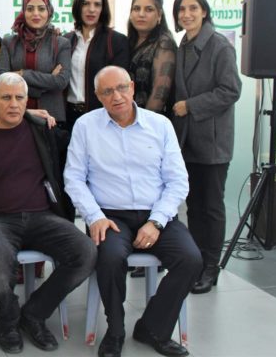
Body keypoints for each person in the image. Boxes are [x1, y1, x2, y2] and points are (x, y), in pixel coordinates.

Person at [0, 72, 97, 354]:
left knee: (85, 252)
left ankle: (34, 314)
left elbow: (82, 142)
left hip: (43, 217)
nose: (13, 104)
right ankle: (8, 321)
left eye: (19, 98)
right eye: (6, 97)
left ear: (27, 101)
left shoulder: (42, 131)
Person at [65, 66, 202, 357]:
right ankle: (115, 331)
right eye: (107, 92)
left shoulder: (160, 125)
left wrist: (156, 222)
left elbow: (178, 181)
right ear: (97, 96)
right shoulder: (86, 126)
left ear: (132, 88)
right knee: (111, 258)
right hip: (110, 216)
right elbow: (73, 178)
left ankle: (153, 328)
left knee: (190, 259)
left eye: (121, 88)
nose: (116, 96)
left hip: (157, 214)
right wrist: (95, 217)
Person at [171, 0, 241, 295]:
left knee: (211, 207)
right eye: (181, 9)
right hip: (188, 141)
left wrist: (191, 106)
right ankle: (197, 264)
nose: (186, 14)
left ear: (204, 11)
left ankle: (211, 268)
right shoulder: (183, 44)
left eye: (193, 8)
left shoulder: (219, 46)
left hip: (212, 142)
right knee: (194, 207)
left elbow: (231, 90)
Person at [0, 0, 71, 126]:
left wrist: (22, 74)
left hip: (51, 120)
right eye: (30, 9)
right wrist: (47, 82)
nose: (36, 13)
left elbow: (61, 81)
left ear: (49, 12)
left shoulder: (61, 43)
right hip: (16, 116)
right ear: (24, 12)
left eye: (41, 9)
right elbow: (1, 79)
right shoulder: (9, 42)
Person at [65, 0, 129, 126]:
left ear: (103, 9)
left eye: (97, 4)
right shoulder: (66, 40)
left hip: (102, 115)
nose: (91, 9)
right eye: (85, 3)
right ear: (77, 6)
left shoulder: (116, 41)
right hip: (68, 116)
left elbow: (119, 85)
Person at [127, 0, 177, 115]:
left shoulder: (164, 43)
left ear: (159, 15)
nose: (141, 14)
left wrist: (142, 123)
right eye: (136, 9)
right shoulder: (128, 42)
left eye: (149, 9)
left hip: (150, 121)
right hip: (127, 118)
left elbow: (159, 94)